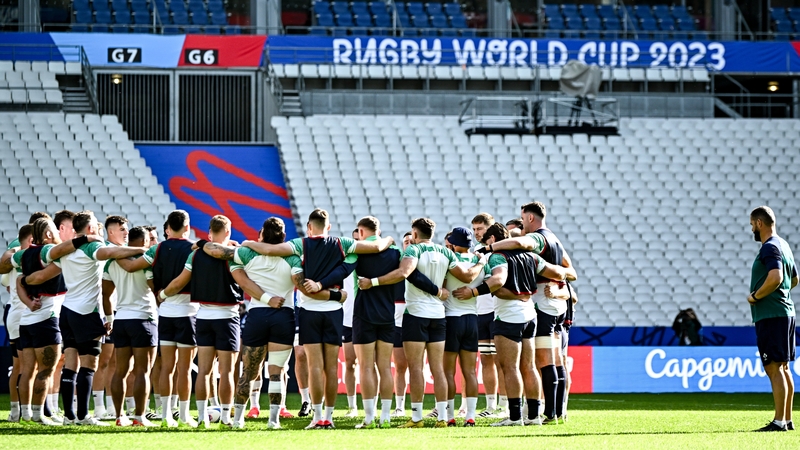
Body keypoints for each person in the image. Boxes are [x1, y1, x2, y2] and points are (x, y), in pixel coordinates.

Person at [239, 208, 393, 429]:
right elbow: (377, 246)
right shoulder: (342, 243)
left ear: (309, 227)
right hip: (333, 310)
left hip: (309, 310)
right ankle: (328, 418)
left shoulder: (301, 244)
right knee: (331, 368)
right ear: (328, 227)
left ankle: (316, 416)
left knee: (314, 366)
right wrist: (389, 238)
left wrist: (248, 244)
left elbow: (270, 250)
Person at [305, 217, 440, 429]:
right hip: (387, 315)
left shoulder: (359, 252)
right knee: (385, 367)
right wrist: (437, 290)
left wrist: (321, 284)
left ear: (360, 230)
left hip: (364, 314)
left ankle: (369, 418)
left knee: (366, 366)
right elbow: (411, 275)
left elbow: (342, 271)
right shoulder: (396, 251)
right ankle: (385, 418)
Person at [358, 217, 486, 428]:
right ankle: (443, 417)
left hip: (416, 313)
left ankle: (417, 417)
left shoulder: (413, 251)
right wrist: (481, 261)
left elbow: (403, 273)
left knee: (416, 368)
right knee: (438, 368)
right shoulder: (446, 252)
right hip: (438, 315)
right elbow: (464, 275)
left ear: (415, 234)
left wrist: (372, 282)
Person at [479, 202, 578, 423]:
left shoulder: (536, 239)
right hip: (548, 309)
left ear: (530, 218)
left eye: (523, 220)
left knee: (529, 364)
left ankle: (537, 414)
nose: (523, 225)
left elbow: (515, 246)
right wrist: (560, 285)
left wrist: (487, 249)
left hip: (537, 308)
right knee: (549, 362)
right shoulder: (552, 243)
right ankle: (551, 412)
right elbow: (569, 272)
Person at [159, 216, 243, 428]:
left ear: (208, 232)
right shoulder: (233, 255)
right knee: (226, 371)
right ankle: (225, 416)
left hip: (203, 316)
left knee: (204, 370)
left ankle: (203, 416)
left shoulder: (195, 255)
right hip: (227, 317)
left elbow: (180, 282)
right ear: (228, 232)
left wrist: (162, 295)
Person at [116, 210, 197, 428]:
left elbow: (132, 266)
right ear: (187, 227)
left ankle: (165, 415)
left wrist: (115, 251)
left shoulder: (157, 248)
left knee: (166, 367)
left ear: (168, 228)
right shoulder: (194, 248)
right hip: (188, 312)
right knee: (185, 369)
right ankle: (183, 415)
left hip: (165, 313)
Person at [102, 225, 157, 427]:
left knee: (120, 371)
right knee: (142, 371)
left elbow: (105, 294)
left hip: (121, 319)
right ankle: (140, 417)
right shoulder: (147, 262)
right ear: (143, 242)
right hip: (144, 318)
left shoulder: (112, 262)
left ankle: (119, 416)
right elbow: (155, 289)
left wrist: (109, 317)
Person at [748, 206, 797, 432]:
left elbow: (776, 277)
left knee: (774, 368)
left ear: (760, 223)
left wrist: (756, 296)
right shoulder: (784, 245)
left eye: (752, 225)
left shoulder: (769, 247)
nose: (752, 230)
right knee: (784, 367)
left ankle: (779, 421)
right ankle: (786, 420)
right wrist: (782, 293)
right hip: (786, 313)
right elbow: (793, 279)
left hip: (772, 315)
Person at [442, 227, 487, 427]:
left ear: (454, 242)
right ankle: (470, 415)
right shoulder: (480, 262)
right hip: (472, 318)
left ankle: (450, 416)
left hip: (452, 318)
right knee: (470, 372)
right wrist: (481, 262)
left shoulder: (450, 259)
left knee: (449, 372)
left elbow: (445, 283)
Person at [471, 213, 505, 418]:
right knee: (486, 360)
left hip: (498, 310)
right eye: (474, 229)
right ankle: (491, 405)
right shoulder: (476, 251)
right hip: (480, 311)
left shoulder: (501, 250)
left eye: (480, 229)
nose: (477, 233)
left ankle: (505, 405)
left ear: (491, 229)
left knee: (503, 361)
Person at [392, 231, 414, 417]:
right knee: (400, 366)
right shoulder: (396, 264)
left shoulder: (422, 263)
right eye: (405, 242)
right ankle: (399, 406)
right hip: (397, 321)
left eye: (410, 241)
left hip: (418, 318)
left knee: (417, 366)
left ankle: (418, 406)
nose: (408, 244)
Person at [341, 228, 360, 418]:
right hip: (347, 319)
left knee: (372, 364)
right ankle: (352, 406)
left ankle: (375, 406)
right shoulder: (344, 265)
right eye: (353, 241)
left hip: (367, 317)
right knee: (349, 362)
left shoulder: (370, 263)